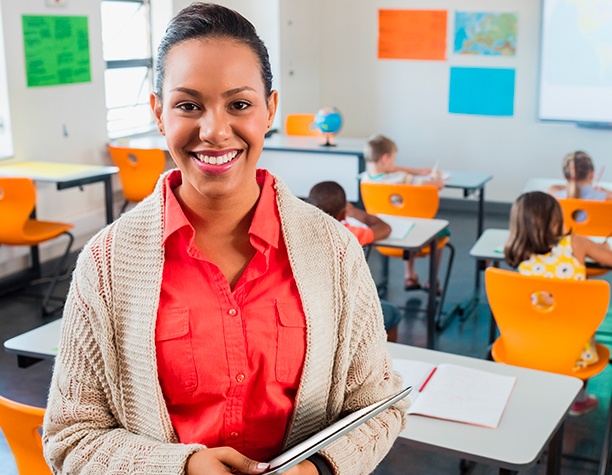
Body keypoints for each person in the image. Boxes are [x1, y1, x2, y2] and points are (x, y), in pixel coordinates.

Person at [42, 4, 406, 475]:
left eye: (239, 104)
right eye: (188, 105)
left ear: (270, 108)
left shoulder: (334, 253)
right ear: (158, 112)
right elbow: (72, 439)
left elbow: (380, 408)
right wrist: (183, 468)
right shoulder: (107, 264)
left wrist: (317, 469)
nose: (214, 131)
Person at [504, 191, 612, 415]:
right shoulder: (575, 244)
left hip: (527, 347)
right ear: (556, 221)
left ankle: (536, 394)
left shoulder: (519, 250)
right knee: (577, 327)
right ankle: (578, 400)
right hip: (575, 351)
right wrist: (606, 251)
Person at [307, 181, 401, 341]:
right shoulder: (347, 233)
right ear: (343, 214)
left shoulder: (295, 229)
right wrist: (356, 212)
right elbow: (385, 228)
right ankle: (384, 364)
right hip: (339, 311)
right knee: (391, 313)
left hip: (309, 307)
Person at [360, 134, 446, 290]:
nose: (395, 163)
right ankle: (432, 280)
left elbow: (389, 169)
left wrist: (416, 171)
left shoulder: (365, 179)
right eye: (394, 159)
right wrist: (437, 175)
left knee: (404, 220)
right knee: (441, 233)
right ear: (385, 158)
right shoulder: (403, 179)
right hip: (411, 234)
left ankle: (410, 276)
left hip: (382, 234)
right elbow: (437, 185)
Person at [307, 181, 391, 246]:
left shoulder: (297, 229)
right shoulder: (346, 235)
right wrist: (353, 211)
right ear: (343, 215)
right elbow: (385, 229)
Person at [548, 151, 612, 207]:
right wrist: (606, 191)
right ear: (592, 174)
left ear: (566, 178)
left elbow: (553, 188)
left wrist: (572, 186)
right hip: (593, 236)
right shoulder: (601, 197)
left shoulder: (557, 195)